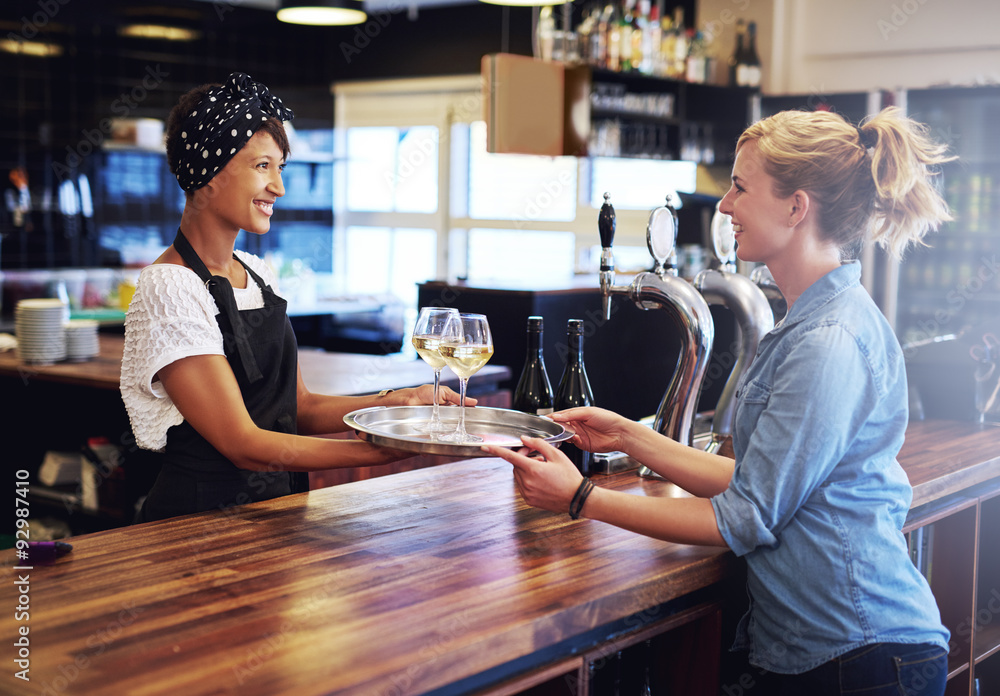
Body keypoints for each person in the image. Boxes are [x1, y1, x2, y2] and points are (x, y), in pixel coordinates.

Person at [483, 106, 954, 695]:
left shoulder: (828, 341)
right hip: (836, 650)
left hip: (856, 657)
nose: (725, 206)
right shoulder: (813, 320)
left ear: (795, 207)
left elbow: (745, 519)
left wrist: (580, 498)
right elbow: (759, 483)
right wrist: (630, 436)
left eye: (739, 186)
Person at [121, 73, 469, 523]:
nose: (279, 188)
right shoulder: (169, 287)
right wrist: (377, 450)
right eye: (262, 166)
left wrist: (397, 403)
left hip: (277, 513)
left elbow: (298, 408)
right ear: (208, 172)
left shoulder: (258, 273)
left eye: (279, 168)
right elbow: (242, 443)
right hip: (198, 528)